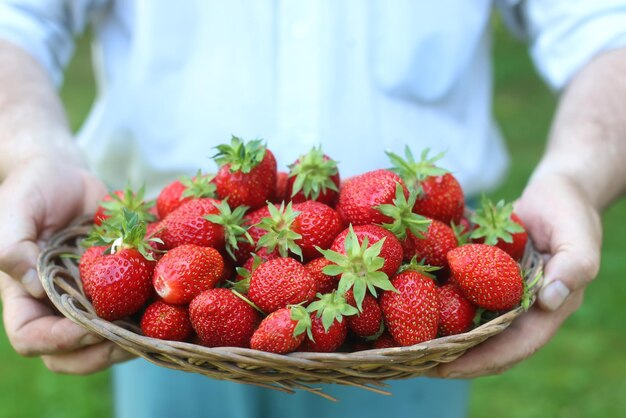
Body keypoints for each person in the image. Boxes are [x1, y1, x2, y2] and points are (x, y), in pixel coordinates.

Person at [0, 1, 624, 417]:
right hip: (162, 323)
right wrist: (31, 148)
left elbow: (606, 29)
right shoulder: (179, 275)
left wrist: (574, 172)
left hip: (411, 334)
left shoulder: (419, 279)